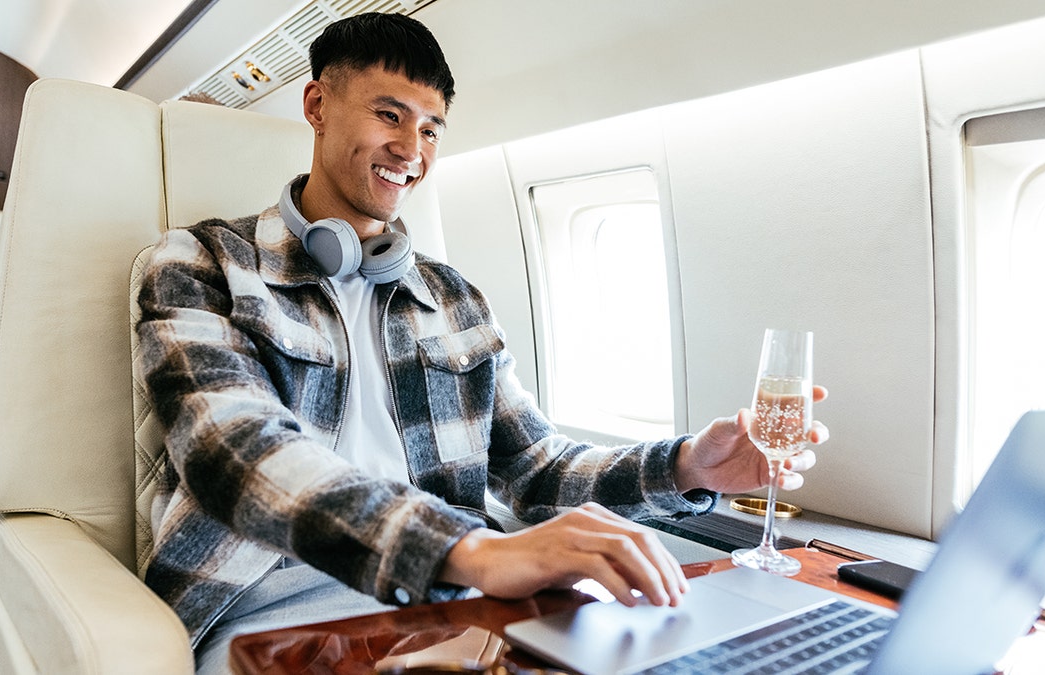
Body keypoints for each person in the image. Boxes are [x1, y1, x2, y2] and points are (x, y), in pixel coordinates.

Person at [136, 12, 828, 673]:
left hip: (456, 604)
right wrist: (468, 549)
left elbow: (539, 470)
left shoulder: (455, 297)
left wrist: (685, 467)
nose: (412, 151)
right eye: (389, 114)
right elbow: (236, 451)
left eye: (432, 128)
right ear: (317, 104)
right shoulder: (201, 263)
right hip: (275, 605)